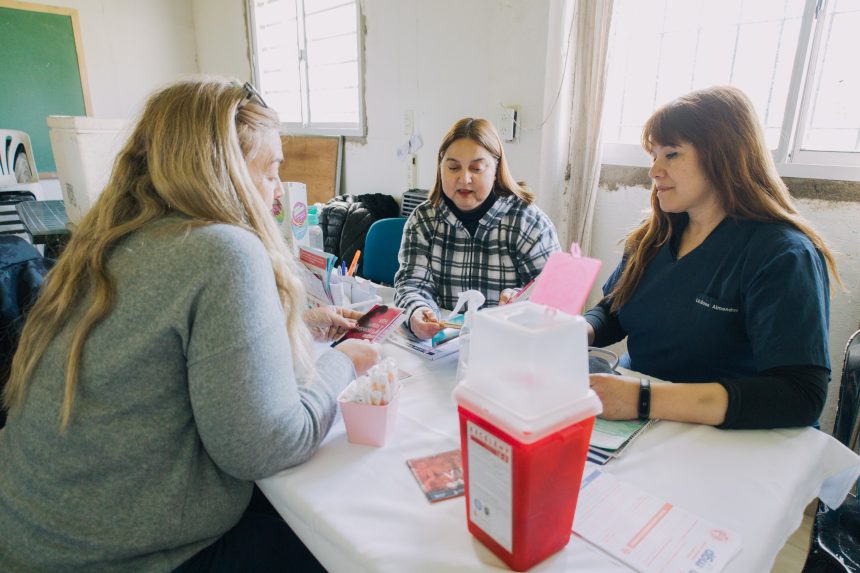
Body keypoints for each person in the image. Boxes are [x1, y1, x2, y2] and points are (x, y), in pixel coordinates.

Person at [0, 77, 380, 572]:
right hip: (115, 559)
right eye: (270, 172)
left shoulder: (108, 239)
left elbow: (169, 356)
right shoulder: (223, 250)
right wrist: (344, 363)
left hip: (30, 533)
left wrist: (299, 325)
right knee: (341, 545)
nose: (275, 195)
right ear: (226, 169)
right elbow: (268, 445)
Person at [585, 85, 841, 430]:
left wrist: (643, 399)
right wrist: (578, 331)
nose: (654, 170)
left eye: (671, 154)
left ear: (723, 156)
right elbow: (614, 310)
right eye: (653, 156)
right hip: (640, 419)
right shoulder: (654, 236)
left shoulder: (782, 255)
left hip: (733, 435)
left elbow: (800, 396)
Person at [395, 117, 560, 339]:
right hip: (443, 346)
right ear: (440, 168)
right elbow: (412, 283)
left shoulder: (528, 222)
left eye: (477, 168)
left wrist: (519, 301)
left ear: (496, 170)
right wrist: (417, 311)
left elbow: (553, 297)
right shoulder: (423, 220)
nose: (464, 179)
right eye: (453, 167)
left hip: (509, 344)